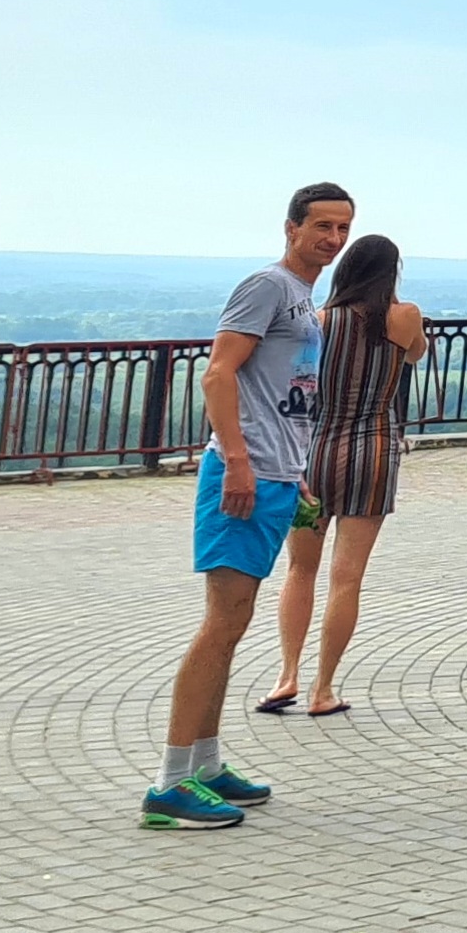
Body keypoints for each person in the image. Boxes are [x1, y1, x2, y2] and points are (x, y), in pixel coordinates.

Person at [143, 181, 350, 829]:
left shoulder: (302, 297)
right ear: (291, 228)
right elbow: (218, 373)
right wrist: (238, 461)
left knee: (234, 623)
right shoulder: (266, 286)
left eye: (342, 228)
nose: (333, 239)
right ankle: (169, 784)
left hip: (275, 476)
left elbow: (286, 392)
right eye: (321, 225)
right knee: (221, 623)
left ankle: (205, 765)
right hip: (244, 477)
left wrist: (295, 471)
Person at [257, 233, 427, 719]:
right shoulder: (405, 316)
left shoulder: (320, 321)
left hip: (315, 452)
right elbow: (416, 353)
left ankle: (286, 674)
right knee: (346, 578)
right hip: (373, 453)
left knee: (300, 569)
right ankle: (323, 688)